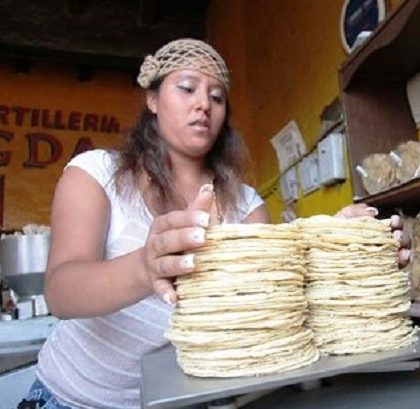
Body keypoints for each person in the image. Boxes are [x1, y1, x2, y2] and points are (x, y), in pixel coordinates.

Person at [19, 38, 410, 409]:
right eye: (187, 88)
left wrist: (338, 248)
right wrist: (146, 265)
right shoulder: (96, 174)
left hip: (182, 399)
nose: (203, 104)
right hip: (73, 397)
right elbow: (61, 291)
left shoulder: (246, 204)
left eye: (217, 96)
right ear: (152, 99)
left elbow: (274, 294)